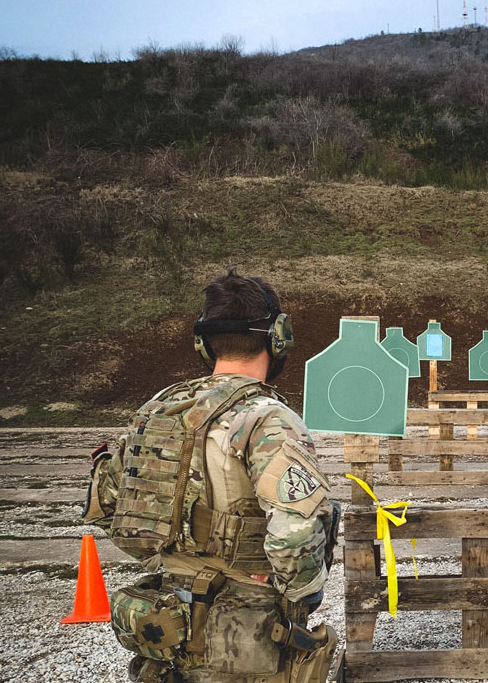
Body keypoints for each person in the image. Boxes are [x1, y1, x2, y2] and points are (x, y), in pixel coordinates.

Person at [83, 269, 339, 683]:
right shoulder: (267, 419)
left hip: (164, 618)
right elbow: (295, 531)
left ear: (203, 342)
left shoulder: (159, 409)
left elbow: (107, 506)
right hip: (242, 630)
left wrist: (174, 558)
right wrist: (299, 592)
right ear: (278, 337)